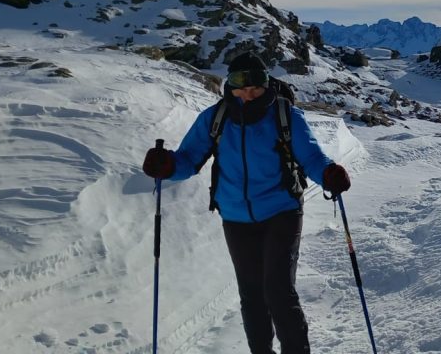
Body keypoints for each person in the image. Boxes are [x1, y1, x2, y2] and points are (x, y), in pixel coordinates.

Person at [142, 52, 351, 354]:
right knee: (252, 295)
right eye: (241, 85)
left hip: (282, 211)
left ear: (266, 84)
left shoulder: (285, 115)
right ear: (230, 84)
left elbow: (312, 158)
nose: (248, 93)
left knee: (278, 291)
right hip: (236, 218)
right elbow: (188, 159)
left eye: (255, 86)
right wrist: (167, 165)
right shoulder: (215, 118)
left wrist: (329, 174)